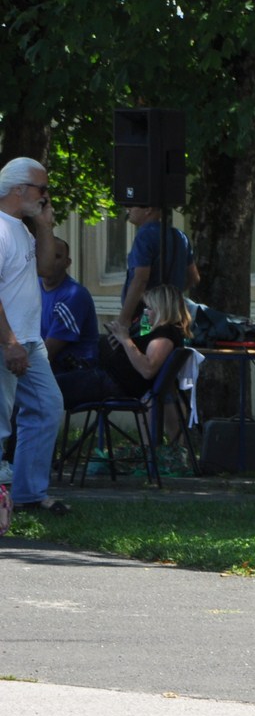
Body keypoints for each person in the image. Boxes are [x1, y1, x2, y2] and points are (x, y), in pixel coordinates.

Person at [0, 158, 67, 517]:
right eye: (42, 189)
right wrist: (10, 342)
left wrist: (44, 226)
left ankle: (27, 494)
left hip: (29, 340)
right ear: (18, 189)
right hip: (7, 342)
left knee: (47, 406)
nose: (45, 196)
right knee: (0, 423)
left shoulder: (21, 229)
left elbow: (46, 268)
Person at [56, 284, 193, 410]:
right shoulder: (158, 330)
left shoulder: (165, 334)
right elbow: (140, 344)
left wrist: (125, 339)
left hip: (114, 382)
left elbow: (147, 370)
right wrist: (121, 341)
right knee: (53, 380)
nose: (145, 312)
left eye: (150, 308)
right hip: (107, 374)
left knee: (50, 390)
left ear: (162, 310)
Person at [117, 204, 197, 333]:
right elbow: (194, 277)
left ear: (148, 209)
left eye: (133, 205)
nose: (128, 208)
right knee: (169, 342)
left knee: (145, 342)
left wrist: (123, 320)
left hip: (147, 315)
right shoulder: (180, 236)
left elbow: (140, 280)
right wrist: (169, 297)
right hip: (174, 315)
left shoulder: (144, 236)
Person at [40, 235, 99, 374]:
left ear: (67, 263)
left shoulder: (74, 295)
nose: (50, 261)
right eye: (46, 255)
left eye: (57, 256)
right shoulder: (31, 286)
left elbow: (47, 353)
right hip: (47, 367)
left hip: (74, 372)